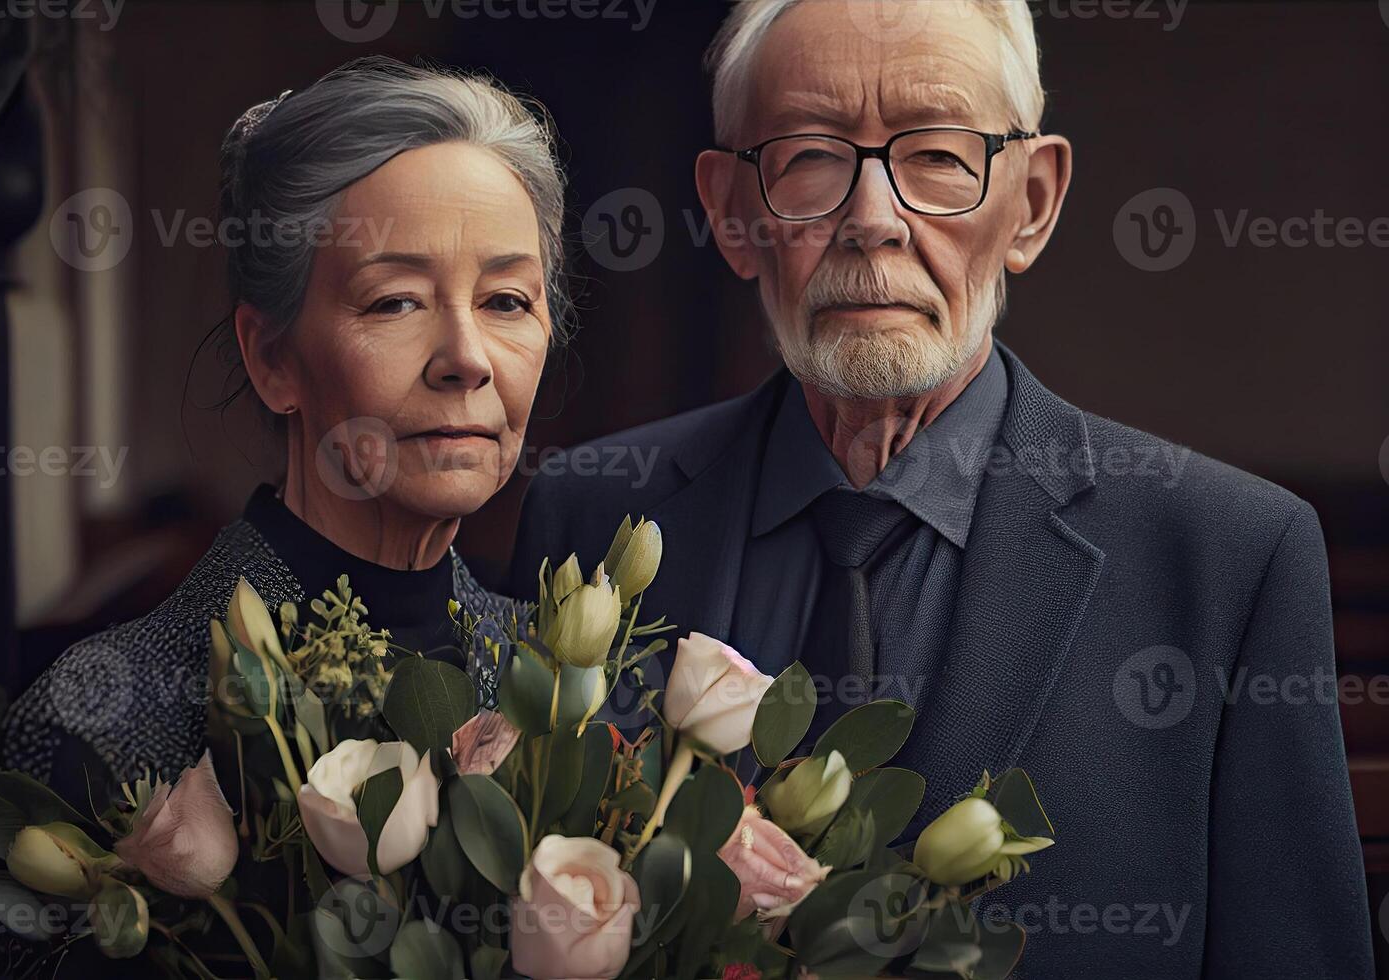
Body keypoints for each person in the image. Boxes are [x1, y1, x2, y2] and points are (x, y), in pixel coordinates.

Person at [510, 2, 1374, 977]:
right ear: (731, 213)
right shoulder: (591, 514)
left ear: (1033, 203)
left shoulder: (1225, 556)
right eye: (809, 156)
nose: (872, 220)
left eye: (937, 156)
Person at [0, 56, 564, 812]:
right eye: (395, 303)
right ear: (272, 359)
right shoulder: (104, 716)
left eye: (505, 300)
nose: (466, 359)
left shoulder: (566, 685)